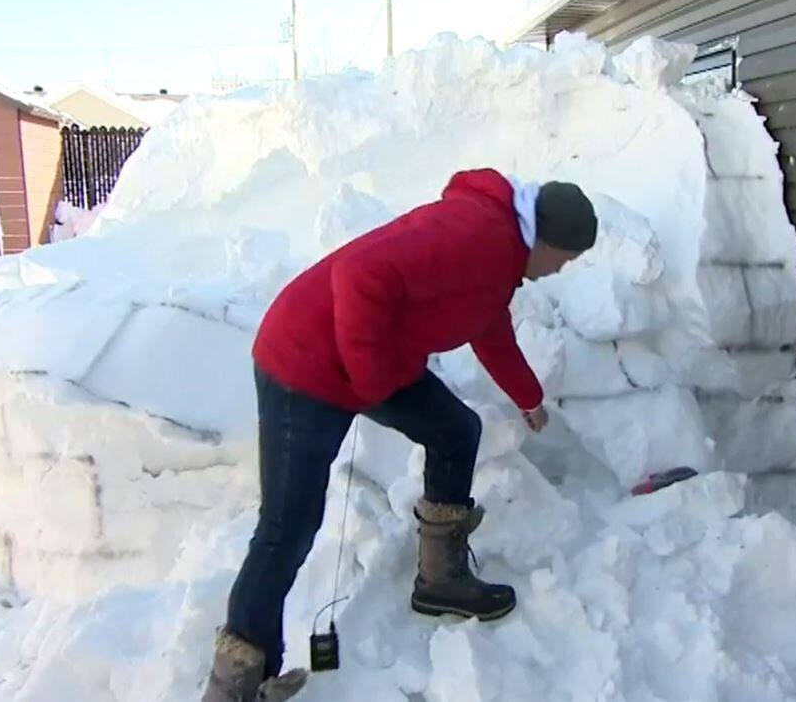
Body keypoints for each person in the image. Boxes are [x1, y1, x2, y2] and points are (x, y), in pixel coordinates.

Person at [202, 168, 598, 702]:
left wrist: (527, 397)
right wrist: (373, 383)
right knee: (288, 527)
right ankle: (237, 683)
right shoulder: (477, 233)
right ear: (546, 240)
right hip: (305, 361)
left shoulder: (501, 253)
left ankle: (440, 581)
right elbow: (361, 274)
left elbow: (489, 327)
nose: (559, 271)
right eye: (565, 260)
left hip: (364, 365)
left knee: (457, 430)